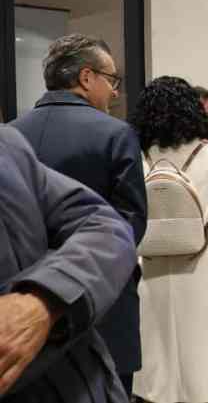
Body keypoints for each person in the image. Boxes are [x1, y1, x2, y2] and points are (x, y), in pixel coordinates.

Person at [10, 33, 147, 395]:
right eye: (112, 79)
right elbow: (129, 224)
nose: (115, 92)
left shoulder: (12, 136)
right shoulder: (116, 134)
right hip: (101, 300)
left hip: (25, 304)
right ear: (87, 77)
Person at [128, 77, 208, 403]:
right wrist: (206, 240)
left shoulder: (136, 156)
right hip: (207, 273)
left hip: (151, 270)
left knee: (158, 374)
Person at [0, 125, 137, 403]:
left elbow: (109, 227)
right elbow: (131, 218)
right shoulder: (116, 134)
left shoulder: (8, 145)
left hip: (89, 381)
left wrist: (45, 297)